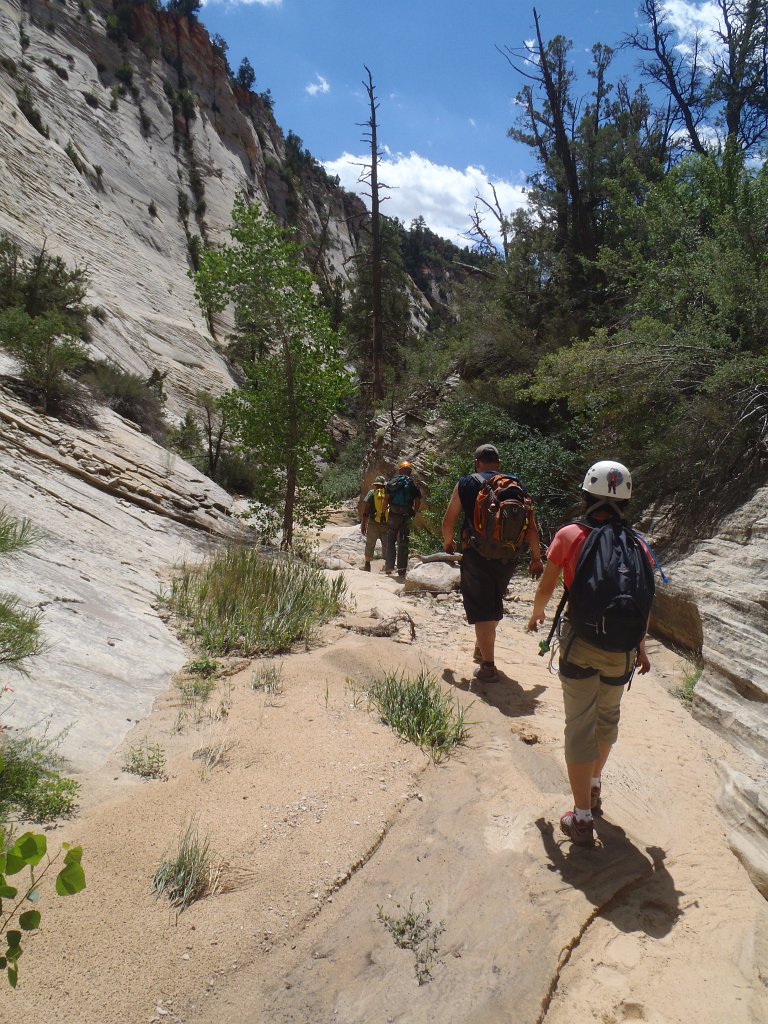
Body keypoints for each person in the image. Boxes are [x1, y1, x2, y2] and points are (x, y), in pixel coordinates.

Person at [527, 460, 653, 848]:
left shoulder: (569, 534)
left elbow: (547, 587)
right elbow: (643, 603)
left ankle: (581, 818)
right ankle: (595, 784)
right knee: (607, 718)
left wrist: (536, 615)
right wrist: (641, 649)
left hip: (581, 645)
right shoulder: (639, 545)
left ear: (587, 493)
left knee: (579, 725)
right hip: (623, 652)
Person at [442, 444, 543, 682]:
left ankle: (488, 665)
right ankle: (482, 646)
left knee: (482, 607)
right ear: (498, 463)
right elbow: (531, 527)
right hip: (509, 555)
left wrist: (449, 543)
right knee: (494, 600)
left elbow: (448, 522)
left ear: (477, 462)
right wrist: (536, 558)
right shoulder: (514, 485)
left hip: (476, 553)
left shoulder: (466, 484)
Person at [382, 461, 422, 578]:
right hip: (406, 515)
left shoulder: (392, 482)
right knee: (403, 542)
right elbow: (418, 501)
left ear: (400, 470)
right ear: (410, 471)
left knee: (391, 540)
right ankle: (402, 570)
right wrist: (414, 511)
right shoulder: (413, 484)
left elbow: (386, 499)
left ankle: (389, 567)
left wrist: (383, 512)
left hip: (393, 514)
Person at [360, 475, 389, 571]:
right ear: (384, 485)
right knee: (387, 544)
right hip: (386, 523)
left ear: (375, 485)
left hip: (373, 523)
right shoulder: (388, 493)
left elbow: (366, 511)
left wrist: (363, 524)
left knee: (370, 544)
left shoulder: (371, 493)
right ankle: (387, 566)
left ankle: (367, 565)